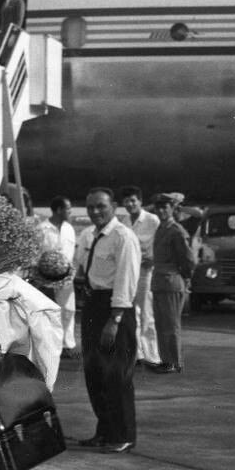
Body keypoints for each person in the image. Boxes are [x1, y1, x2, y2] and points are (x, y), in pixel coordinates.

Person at [73, 187, 140, 452]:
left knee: (116, 374)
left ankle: (123, 435)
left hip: (115, 308)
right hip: (93, 305)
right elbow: (80, 268)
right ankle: (105, 431)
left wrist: (115, 319)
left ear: (113, 206)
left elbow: (126, 280)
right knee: (95, 373)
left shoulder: (123, 237)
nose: (95, 211)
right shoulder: (89, 235)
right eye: (90, 207)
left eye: (101, 206)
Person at [148, 192, 196, 374]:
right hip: (160, 282)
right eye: (158, 207)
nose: (161, 211)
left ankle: (174, 362)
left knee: (171, 324)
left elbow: (189, 260)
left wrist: (184, 277)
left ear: (173, 208)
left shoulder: (176, 231)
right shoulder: (161, 228)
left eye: (164, 207)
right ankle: (165, 360)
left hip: (171, 282)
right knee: (161, 324)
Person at [120, 185, 160, 366]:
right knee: (131, 313)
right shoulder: (124, 221)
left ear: (140, 201)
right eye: (126, 201)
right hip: (129, 272)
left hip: (146, 272)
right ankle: (137, 354)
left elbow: (160, 243)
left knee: (146, 313)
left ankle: (152, 355)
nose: (130, 204)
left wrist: (153, 258)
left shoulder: (152, 220)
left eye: (133, 200)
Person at [35, 197, 78, 358]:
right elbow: (35, 253)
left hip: (66, 277)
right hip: (46, 278)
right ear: (59, 210)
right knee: (49, 311)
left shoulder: (69, 228)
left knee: (68, 309)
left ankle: (67, 345)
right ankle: (50, 345)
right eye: (68, 208)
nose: (70, 212)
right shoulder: (42, 229)